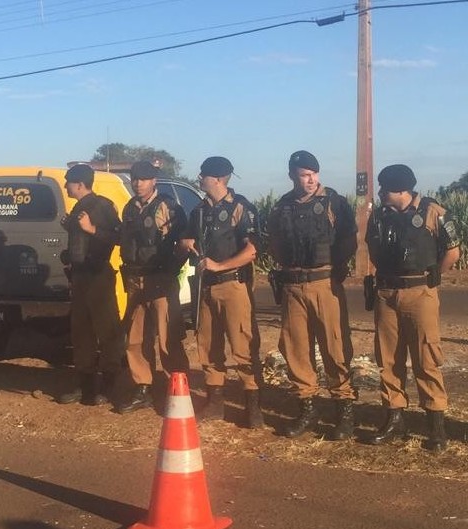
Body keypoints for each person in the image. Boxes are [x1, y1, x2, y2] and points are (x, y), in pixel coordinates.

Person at [365, 164, 460, 452]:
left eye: (385, 189)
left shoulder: (433, 212)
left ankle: (435, 424)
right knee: (388, 357)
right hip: (387, 293)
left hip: (420, 291)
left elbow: (453, 251)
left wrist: (433, 279)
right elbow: (372, 247)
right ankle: (394, 417)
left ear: (401, 190)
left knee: (426, 357)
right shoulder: (380, 216)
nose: (380, 193)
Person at [267, 150, 358, 439]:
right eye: (305, 174)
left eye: (314, 174)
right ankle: (306, 405)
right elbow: (275, 243)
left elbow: (348, 241)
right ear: (292, 175)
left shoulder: (334, 202)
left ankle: (343, 409)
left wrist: (334, 268)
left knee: (335, 347)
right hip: (293, 285)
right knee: (295, 348)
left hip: (324, 283)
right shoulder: (282, 206)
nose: (311, 179)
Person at [179, 156, 263, 427]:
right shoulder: (199, 211)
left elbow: (252, 251)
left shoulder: (241, 208)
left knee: (243, 344)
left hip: (233, 284)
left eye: (203, 174)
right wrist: (186, 242)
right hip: (206, 287)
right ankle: (215, 402)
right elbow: (186, 239)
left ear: (217, 178)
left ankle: (252, 405)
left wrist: (219, 265)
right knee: (208, 344)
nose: (199, 178)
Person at [117, 161, 189, 414]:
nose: (138, 183)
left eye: (144, 179)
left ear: (154, 180)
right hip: (136, 281)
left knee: (168, 338)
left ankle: (178, 390)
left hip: (160, 280)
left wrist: (169, 271)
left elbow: (183, 244)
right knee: (135, 339)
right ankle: (143, 388)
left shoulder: (168, 207)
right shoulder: (129, 208)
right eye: (135, 178)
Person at [57, 163, 123, 406]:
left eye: (68, 182)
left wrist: (91, 229)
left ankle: (108, 387)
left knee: (107, 332)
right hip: (81, 276)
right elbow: (78, 245)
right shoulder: (78, 208)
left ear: (80, 184)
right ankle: (84, 387)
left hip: (99, 275)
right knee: (81, 332)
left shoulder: (103, 206)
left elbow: (119, 237)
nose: (65, 186)